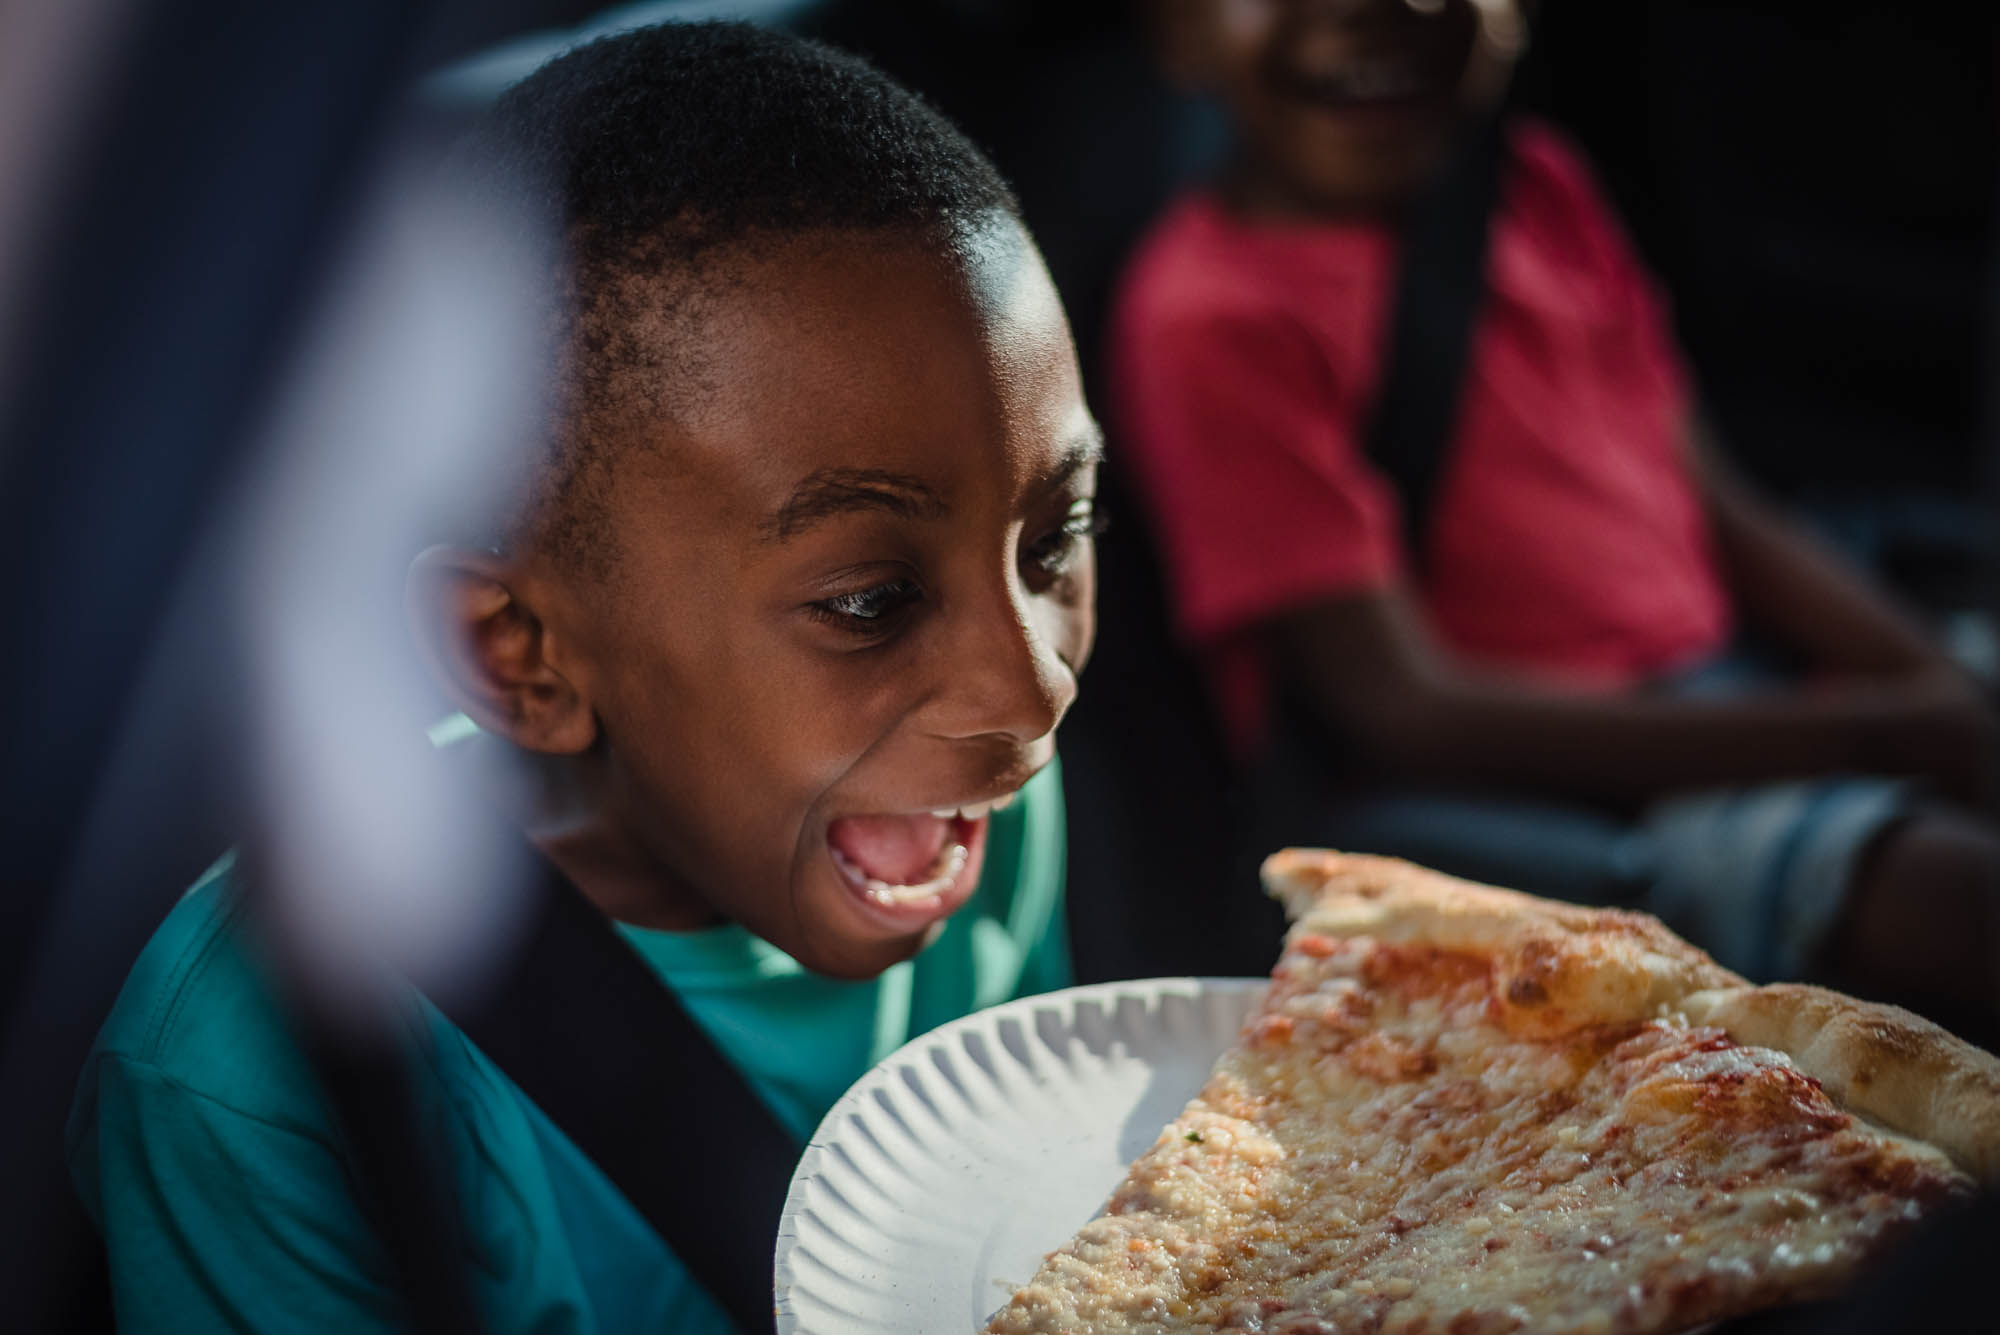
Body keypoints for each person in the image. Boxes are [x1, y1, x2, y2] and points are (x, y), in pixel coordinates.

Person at [67, 22, 1101, 1332]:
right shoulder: (259, 1065)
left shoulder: (974, 818)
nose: (1030, 696)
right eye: (866, 601)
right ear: (520, 651)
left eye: (1052, 540)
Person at [1112, 0, 2000, 1026]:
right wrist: (1868, 735)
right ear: (1179, 31)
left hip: (1750, 695)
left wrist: (1936, 684)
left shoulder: (1528, 184)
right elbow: (1408, 710)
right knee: (1960, 899)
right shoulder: (1211, 314)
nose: (1367, 13)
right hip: (1569, 797)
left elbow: (1719, 508)